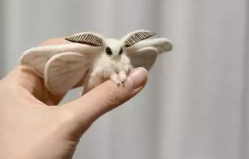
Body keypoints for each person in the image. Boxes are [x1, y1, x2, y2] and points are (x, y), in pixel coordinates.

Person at [0, 37, 148, 159]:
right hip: (93, 82)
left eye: (120, 52)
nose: (116, 56)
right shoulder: (101, 61)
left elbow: (125, 65)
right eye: (110, 52)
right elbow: (99, 72)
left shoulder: (123, 59)